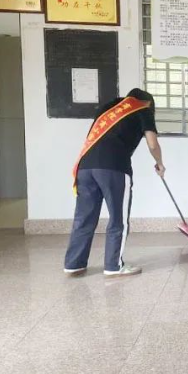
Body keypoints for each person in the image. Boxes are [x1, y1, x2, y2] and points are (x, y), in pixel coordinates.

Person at [64, 88, 165, 278]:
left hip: (85, 167)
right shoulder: (143, 109)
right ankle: (113, 266)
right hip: (114, 168)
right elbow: (153, 144)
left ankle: (74, 264)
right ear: (147, 103)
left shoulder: (106, 110)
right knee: (118, 219)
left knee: (84, 217)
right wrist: (159, 163)